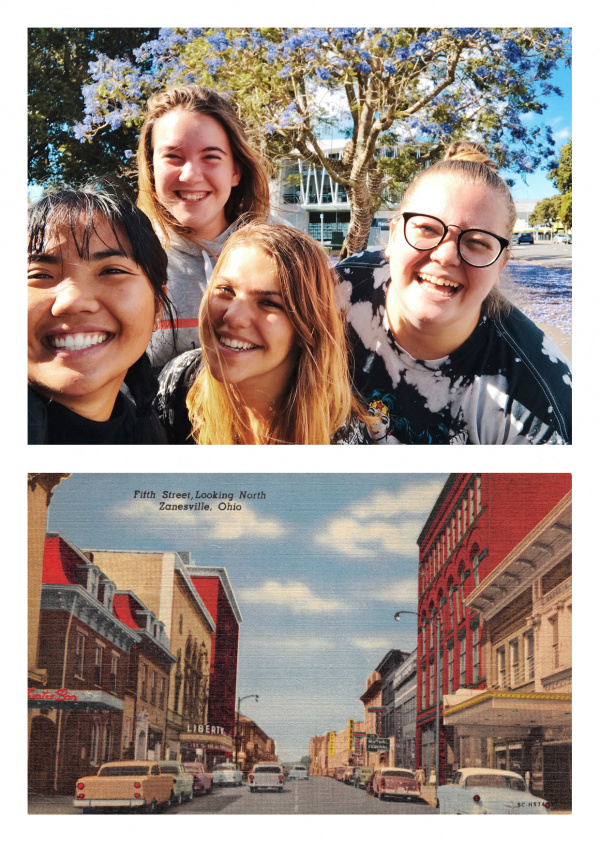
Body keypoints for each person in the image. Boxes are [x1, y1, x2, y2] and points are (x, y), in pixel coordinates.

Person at [336, 141, 572, 444]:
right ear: (394, 237)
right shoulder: (339, 290)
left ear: (500, 265)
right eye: (427, 229)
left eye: (477, 242)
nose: (446, 256)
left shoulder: (538, 402)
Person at [155, 222, 372, 444]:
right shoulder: (177, 383)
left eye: (269, 302)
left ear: (307, 328)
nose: (233, 316)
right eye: (225, 290)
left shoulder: (341, 438)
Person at [137, 84, 271, 368]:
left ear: (235, 171)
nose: (191, 175)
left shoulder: (283, 254)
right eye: (173, 157)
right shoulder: (126, 258)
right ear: (151, 168)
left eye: (211, 157)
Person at [28, 186, 174, 444]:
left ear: (158, 306)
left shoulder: (149, 433)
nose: (72, 301)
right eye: (40, 275)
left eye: (111, 271)